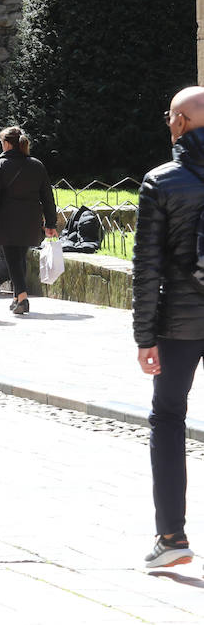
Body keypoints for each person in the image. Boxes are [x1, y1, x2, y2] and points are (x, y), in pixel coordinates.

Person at [136, 86, 204, 569]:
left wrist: (144, 337)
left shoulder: (161, 181)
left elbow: (147, 268)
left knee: (168, 420)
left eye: (168, 117)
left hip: (180, 323)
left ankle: (172, 536)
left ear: (179, 123)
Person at [0, 126, 57, 315]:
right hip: (30, 219)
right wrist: (50, 223)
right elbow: (47, 197)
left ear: (7, 143)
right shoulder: (36, 165)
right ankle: (17, 297)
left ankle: (22, 298)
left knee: (13, 259)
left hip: (6, 220)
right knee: (19, 258)